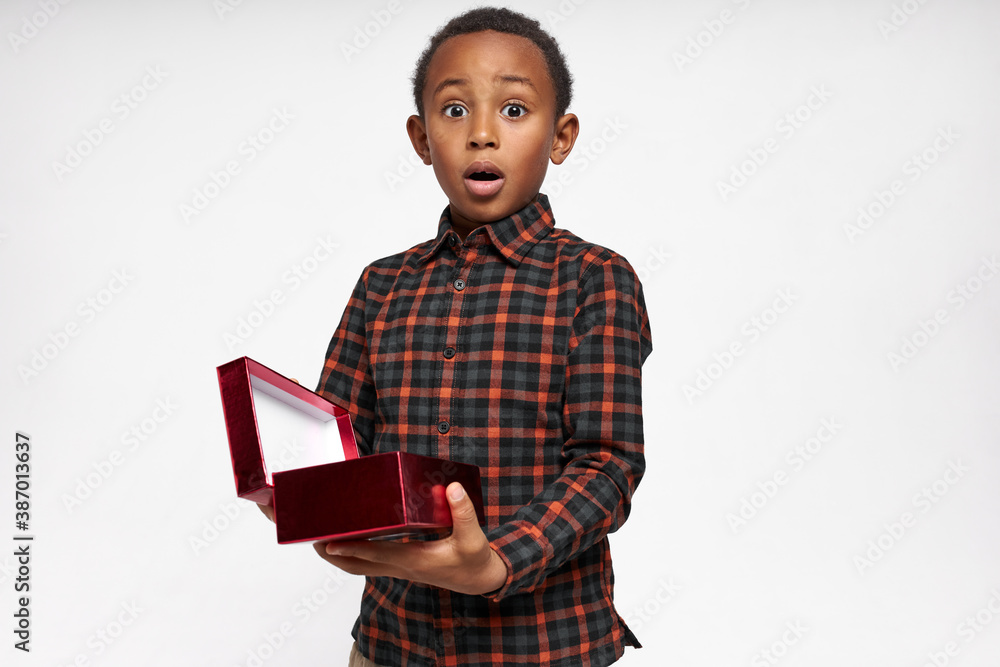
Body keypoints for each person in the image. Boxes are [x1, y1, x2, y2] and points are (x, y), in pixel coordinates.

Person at [269, 7, 652, 665]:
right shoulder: (381, 285)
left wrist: (496, 560)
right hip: (393, 643)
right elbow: (343, 445)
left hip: (543, 649)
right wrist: (310, 499)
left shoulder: (595, 279)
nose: (481, 134)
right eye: (454, 111)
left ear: (560, 137)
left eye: (513, 110)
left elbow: (607, 464)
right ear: (422, 139)